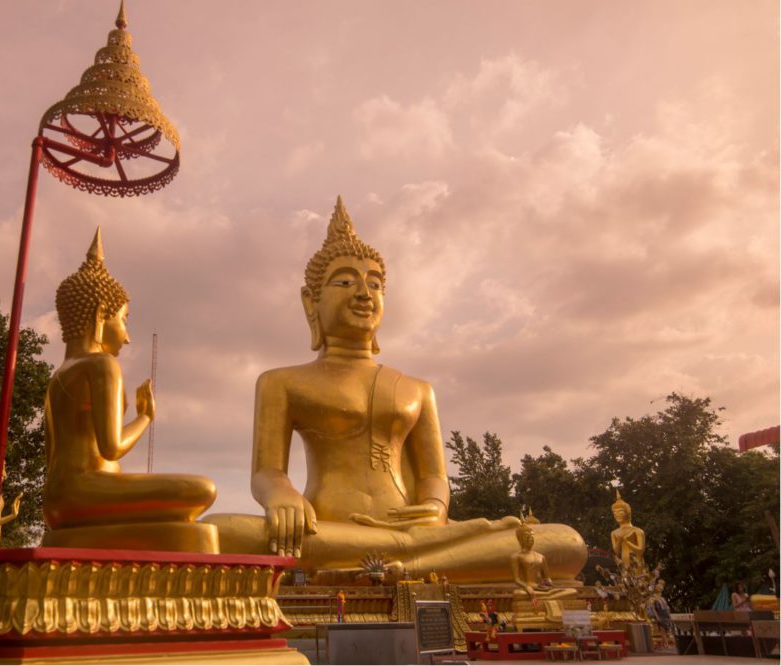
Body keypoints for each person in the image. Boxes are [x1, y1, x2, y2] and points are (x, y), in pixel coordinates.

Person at [207, 198, 587, 582]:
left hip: (419, 533)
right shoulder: (282, 381)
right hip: (327, 531)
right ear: (311, 302)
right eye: (344, 281)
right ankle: (418, 562)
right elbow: (267, 472)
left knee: (565, 541)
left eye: (374, 283)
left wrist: (436, 507)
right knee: (218, 533)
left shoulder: (416, 389)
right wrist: (281, 495)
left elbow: (433, 477)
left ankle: (410, 564)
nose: (363, 293)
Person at [41, 229, 217, 551]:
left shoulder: (58, 376)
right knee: (203, 490)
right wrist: (145, 417)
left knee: (187, 527)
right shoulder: (101, 366)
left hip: (56, 500)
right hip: (89, 490)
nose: (127, 336)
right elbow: (111, 448)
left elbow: (50, 456)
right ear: (99, 316)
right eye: (124, 320)